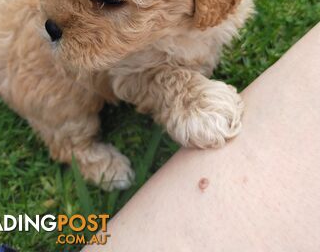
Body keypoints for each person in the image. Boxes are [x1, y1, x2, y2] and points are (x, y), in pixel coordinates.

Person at [85, 23, 320, 252]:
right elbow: (129, 74)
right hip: (70, 77)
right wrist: (180, 93)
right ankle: (80, 151)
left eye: (110, 0)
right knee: (66, 103)